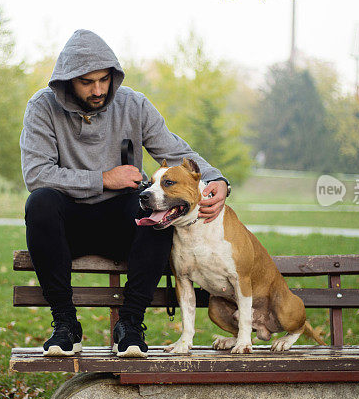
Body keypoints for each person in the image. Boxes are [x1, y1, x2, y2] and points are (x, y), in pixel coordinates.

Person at [20, 29, 229, 358]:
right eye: (87, 82)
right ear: (67, 81)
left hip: (122, 224)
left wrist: (217, 178)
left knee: (156, 210)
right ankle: (65, 325)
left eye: (104, 79)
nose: (99, 89)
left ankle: (130, 325)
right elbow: (36, 174)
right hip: (67, 225)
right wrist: (103, 178)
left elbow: (173, 152)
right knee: (40, 203)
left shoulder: (134, 104)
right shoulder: (42, 108)